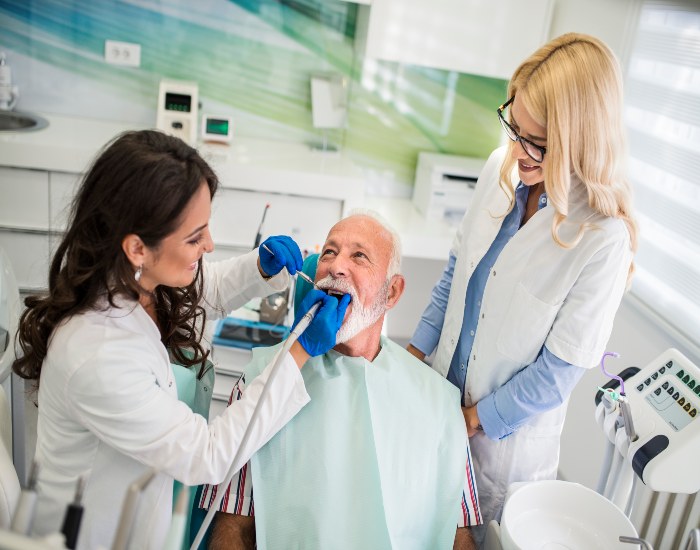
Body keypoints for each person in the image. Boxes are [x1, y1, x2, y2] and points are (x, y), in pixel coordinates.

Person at [11, 130, 349, 550]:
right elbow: (208, 455)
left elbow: (202, 291)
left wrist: (259, 268)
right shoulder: (97, 356)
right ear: (137, 247)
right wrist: (298, 350)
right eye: (194, 237)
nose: (207, 244)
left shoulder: (132, 279)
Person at [406, 33, 638, 543]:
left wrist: (467, 420)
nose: (518, 150)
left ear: (583, 143)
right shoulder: (501, 167)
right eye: (514, 127)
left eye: (538, 143)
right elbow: (455, 275)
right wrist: (412, 364)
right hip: (439, 409)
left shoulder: (602, 238)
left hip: (499, 453)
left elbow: (556, 374)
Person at [197, 211, 481, 550]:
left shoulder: (438, 402)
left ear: (391, 293)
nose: (336, 267)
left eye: (358, 256)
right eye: (329, 252)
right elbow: (232, 523)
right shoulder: (261, 380)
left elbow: (458, 532)